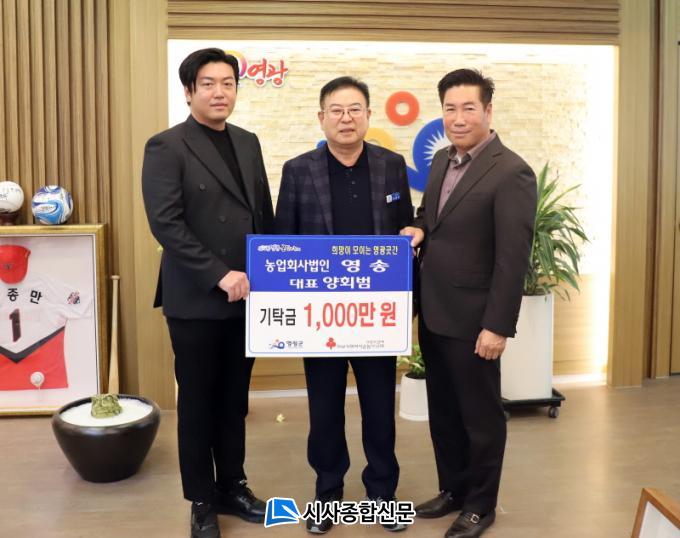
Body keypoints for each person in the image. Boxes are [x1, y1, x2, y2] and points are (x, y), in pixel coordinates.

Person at [142, 48, 274, 538]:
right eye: (208, 84)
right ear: (188, 92)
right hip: (198, 297)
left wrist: (277, 272)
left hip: (247, 295)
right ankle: (201, 499)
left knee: (234, 399)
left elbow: (262, 214)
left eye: (228, 83)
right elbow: (166, 223)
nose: (220, 92)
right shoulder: (166, 146)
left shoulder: (248, 141)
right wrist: (219, 273)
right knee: (198, 402)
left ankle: (232, 484)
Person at [400, 69, 536, 538]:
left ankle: (480, 505)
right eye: (450, 109)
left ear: (488, 111)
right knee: (444, 412)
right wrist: (418, 227)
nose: (458, 118)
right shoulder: (442, 160)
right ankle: (453, 489)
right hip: (435, 312)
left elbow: (512, 257)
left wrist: (497, 326)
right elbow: (431, 217)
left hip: (476, 320)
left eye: (468, 108)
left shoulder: (511, 171)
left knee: (480, 418)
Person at [275, 76, 414, 534]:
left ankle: (383, 494)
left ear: (369, 116)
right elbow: (283, 242)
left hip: (375, 315)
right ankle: (328, 493)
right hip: (320, 317)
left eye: (355, 109)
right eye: (336, 110)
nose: (346, 118)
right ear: (321, 118)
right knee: (324, 411)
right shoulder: (298, 170)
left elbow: (405, 232)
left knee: (380, 409)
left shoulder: (391, 166)